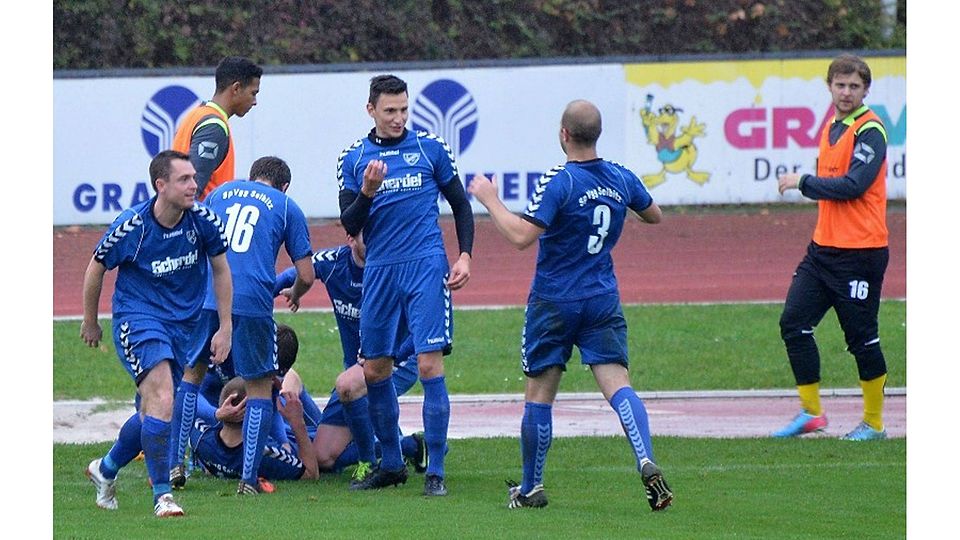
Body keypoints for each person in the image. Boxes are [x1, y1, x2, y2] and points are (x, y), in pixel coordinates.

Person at [468, 99, 673, 511]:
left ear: (564, 134)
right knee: (619, 384)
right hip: (601, 297)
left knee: (539, 394)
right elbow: (655, 216)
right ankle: (646, 458)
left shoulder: (559, 181)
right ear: (598, 134)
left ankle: (531, 488)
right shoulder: (621, 177)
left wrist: (489, 199)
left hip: (554, 300)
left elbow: (522, 237)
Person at [337, 74, 474, 496]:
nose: (398, 118)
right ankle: (392, 464)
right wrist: (368, 191)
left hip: (425, 267)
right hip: (379, 271)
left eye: (404, 109)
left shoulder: (429, 149)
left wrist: (465, 254)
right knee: (376, 369)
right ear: (371, 110)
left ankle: (435, 471)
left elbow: (460, 204)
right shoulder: (354, 158)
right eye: (390, 110)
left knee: (430, 365)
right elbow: (350, 224)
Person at [81, 149, 233, 517]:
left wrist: (225, 326)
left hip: (184, 327)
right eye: (184, 179)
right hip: (138, 319)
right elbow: (96, 267)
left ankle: (106, 468)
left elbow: (222, 270)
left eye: (194, 178)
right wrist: (90, 320)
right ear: (160, 185)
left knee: (157, 408)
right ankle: (162, 496)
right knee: (164, 397)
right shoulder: (133, 226)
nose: (194, 185)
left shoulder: (203, 220)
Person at [169, 155, 314, 495]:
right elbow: (306, 274)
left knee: (191, 374)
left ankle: (176, 461)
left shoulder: (220, 193)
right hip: (252, 301)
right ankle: (248, 480)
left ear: (251, 178)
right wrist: (296, 291)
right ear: (284, 186)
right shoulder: (286, 205)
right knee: (260, 386)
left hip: (208, 295)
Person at [774, 53, 891, 441]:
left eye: (854, 86)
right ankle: (811, 413)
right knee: (793, 323)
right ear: (829, 87)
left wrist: (802, 181)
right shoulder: (832, 127)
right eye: (839, 85)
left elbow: (854, 185)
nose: (845, 92)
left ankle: (873, 424)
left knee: (862, 338)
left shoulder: (870, 129)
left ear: (866, 90)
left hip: (861, 253)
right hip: (823, 250)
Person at [274, 233, 428, 480]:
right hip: (355, 369)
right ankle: (411, 445)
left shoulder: (396, 267)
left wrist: (396, 354)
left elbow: (421, 323)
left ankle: (369, 463)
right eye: (366, 234)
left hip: (397, 362)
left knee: (348, 385)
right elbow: (295, 274)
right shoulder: (335, 263)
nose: (374, 239)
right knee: (322, 457)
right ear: (350, 239)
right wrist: (249, 303)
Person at [190, 375, 319, 485]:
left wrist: (216, 414)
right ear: (255, 413)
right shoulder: (267, 455)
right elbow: (310, 473)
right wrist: (297, 422)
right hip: (305, 436)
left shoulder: (200, 438)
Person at [172, 56, 262, 201]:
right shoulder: (214, 127)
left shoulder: (195, 114)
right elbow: (192, 186)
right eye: (253, 93)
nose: (255, 102)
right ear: (236, 88)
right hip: (201, 219)